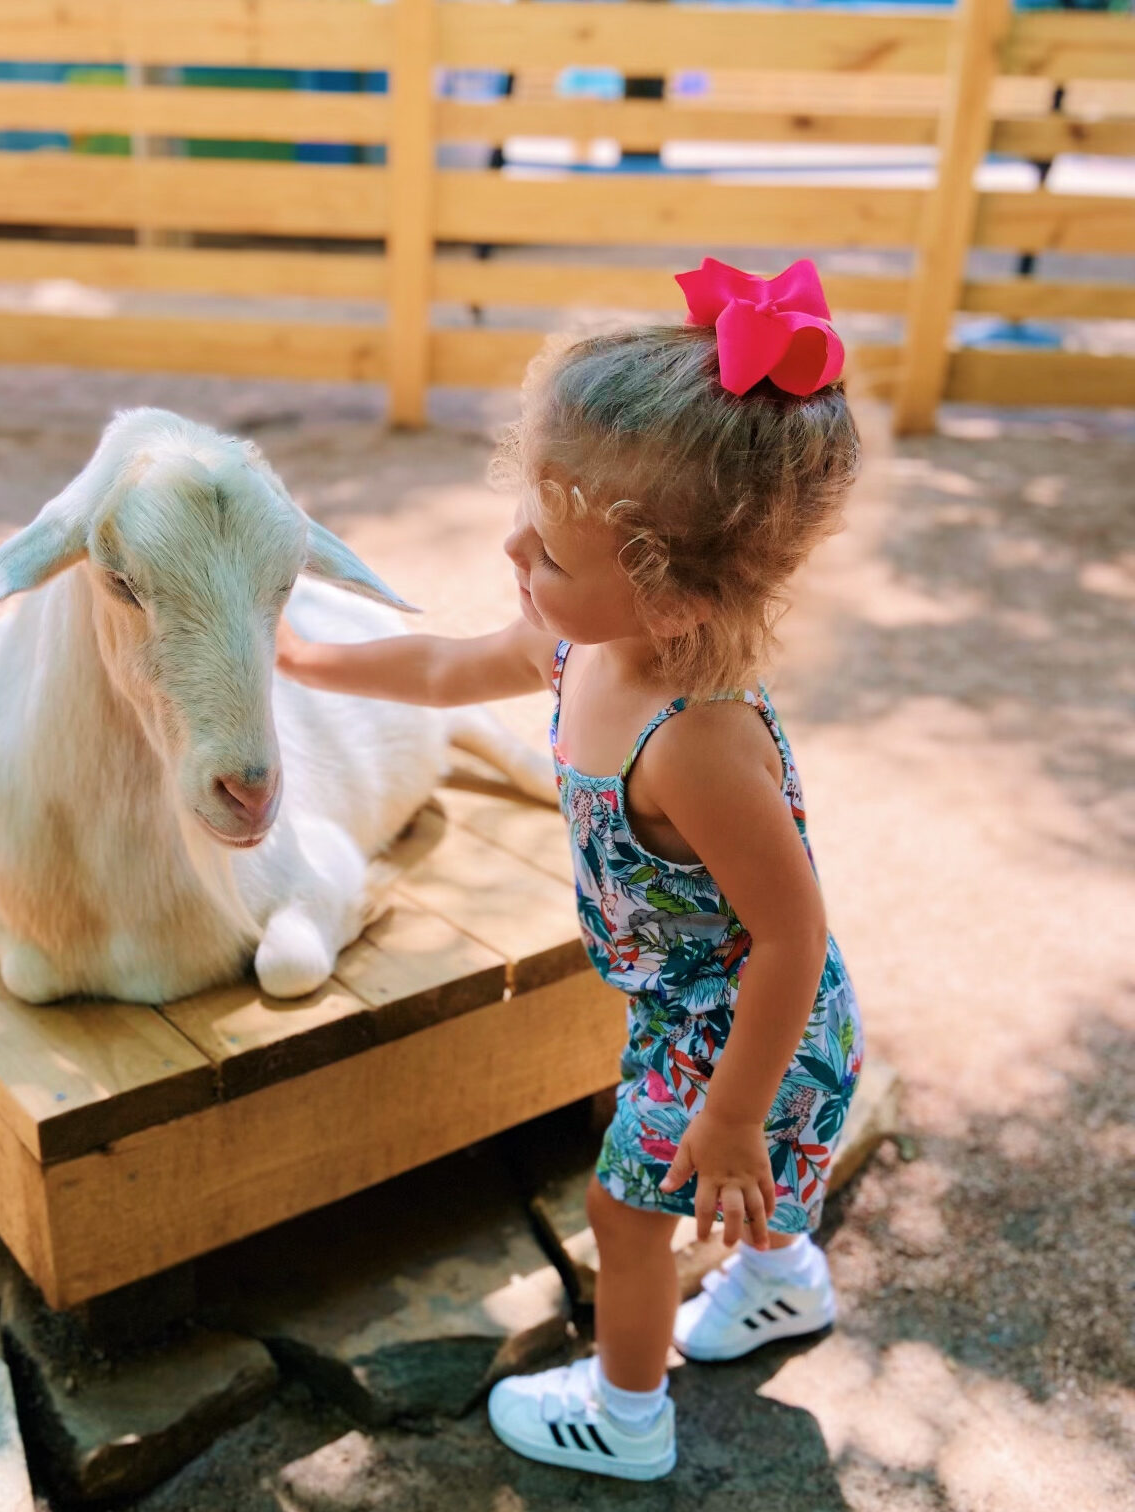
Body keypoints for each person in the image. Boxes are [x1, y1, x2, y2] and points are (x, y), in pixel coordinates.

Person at [275, 258, 865, 1481]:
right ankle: (782, 1281)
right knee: (735, 1193)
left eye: (544, 545)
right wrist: (305, 663)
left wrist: (736, 1113)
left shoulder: (695, 740)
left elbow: (793, 940)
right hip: (691, 1006)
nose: (510, 550)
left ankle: (629, 1415)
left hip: (751, 1030)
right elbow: (445, 673)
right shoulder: (586, 643)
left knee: (626, 1210)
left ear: (670, 595)